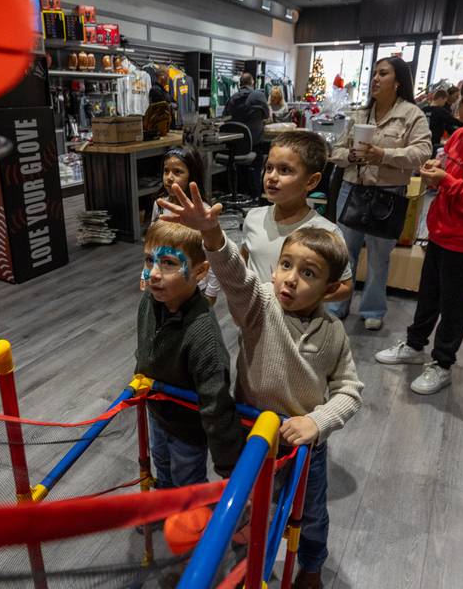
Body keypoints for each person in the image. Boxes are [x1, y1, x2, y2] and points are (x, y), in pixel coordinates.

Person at [159, 183, 363, 589]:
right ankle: (245, 558)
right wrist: (212, 234)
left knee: (312, 515)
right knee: (248, 504)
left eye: (308, 274)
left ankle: (311, 566)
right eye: (285, 265)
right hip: (251, 436)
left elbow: (349, 390)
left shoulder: (334, 331)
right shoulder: (261, 304)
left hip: (304, 446)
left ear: (331, 287)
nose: (289, 279)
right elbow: (235, 278)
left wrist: (317, 422)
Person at [375, 69, 463, 395]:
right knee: (428, 296)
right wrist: (433, 173)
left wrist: (446, 182)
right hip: (439, 232)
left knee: (454, 306)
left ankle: (442, 364)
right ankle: (414, 346)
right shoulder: (459, 136)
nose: (457, 102)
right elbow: (443, 174)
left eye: (461, 96)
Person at [136, 220, 243, 489]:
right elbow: (146, 346)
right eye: (150, 261)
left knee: (188, 483)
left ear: (200, 270)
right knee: (162, 466)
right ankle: (165, 506)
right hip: (157, 410)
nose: (154, 274)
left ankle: (191, 526)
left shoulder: (203, 335)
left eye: (169, 263)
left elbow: (216, 405)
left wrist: (229, 467)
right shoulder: (149, 301)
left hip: (187, 429)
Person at [327, 57, 431, 330]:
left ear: (398, 82)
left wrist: (383, 154)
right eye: (374, 73)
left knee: (378, 257)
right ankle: (337, 304)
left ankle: (373, 309)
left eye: (382, 74)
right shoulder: (359, 114)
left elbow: (421, 152)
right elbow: (335, 152)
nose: (375, 78)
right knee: (343, 253)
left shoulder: (411, 115)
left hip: (387, 194)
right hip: (352, 189)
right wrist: (349, 155)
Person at [241, 131, 352, 303]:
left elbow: (345, 287)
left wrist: (303, 297)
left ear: (311, 181)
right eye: (269, 168)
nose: (271, 177)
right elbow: (246, 257)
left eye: (284, 170)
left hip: (299, 325)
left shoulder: (327, 232)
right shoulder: (253, 218)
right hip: (254, 320)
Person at [142, 147, 220, 304]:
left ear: (192, 175)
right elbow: (153, 244)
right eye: (166, 171)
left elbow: (213, 256)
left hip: (194, 285)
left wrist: (211, 292)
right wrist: (145, 272)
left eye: (177, 172)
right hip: (165, 279)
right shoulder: (161, 204)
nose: (169, 178)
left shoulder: (202, 212)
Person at [225, 72, 270, 200]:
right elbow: (266, 115)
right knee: (257, 162)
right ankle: (255, 195)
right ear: (252, 82)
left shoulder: (232, 98)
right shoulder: (259, 96)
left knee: (239, 166)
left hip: (235, 145)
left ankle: (239, 191)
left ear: (240, 84)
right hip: (254, 144)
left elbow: (225, 118)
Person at [422, 89, 463, 156]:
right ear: (441, 98)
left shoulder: (424, 109)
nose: (444, 103)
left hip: (423, 141)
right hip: (433, 141)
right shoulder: (440, 111)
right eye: (444, 101)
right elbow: (453, 121)